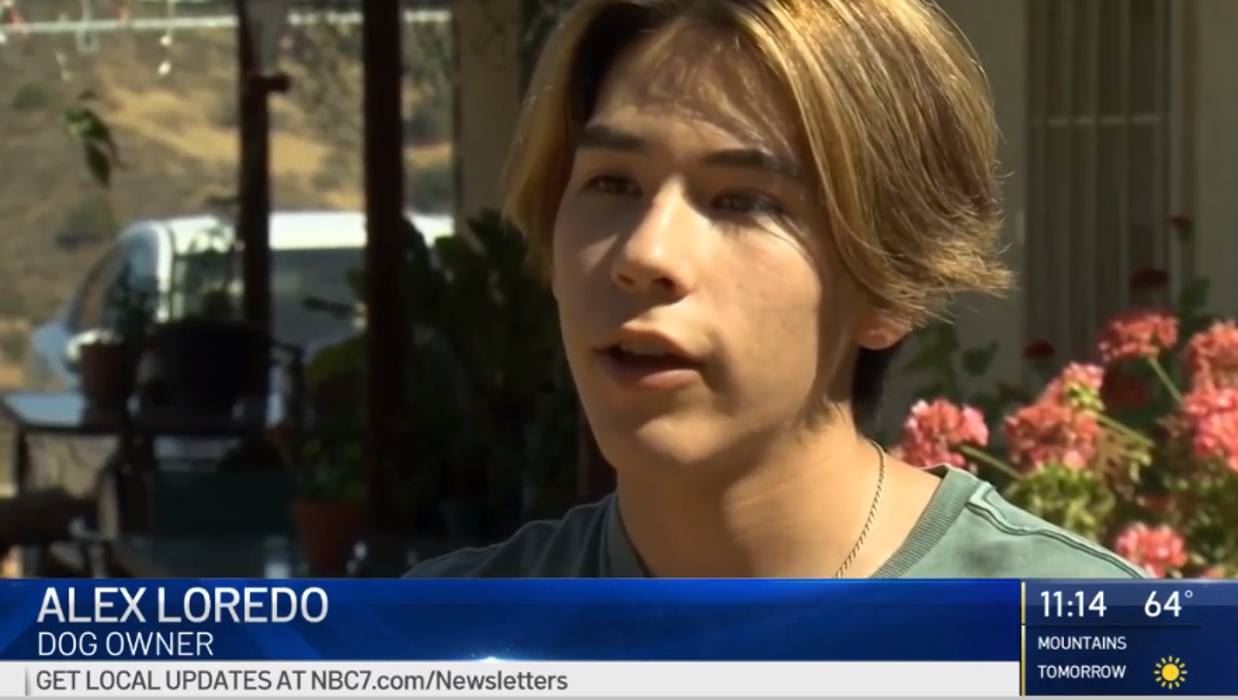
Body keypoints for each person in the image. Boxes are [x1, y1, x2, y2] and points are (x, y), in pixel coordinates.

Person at [410, 0, 1142, 578]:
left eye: (744, 200)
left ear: (891, 284)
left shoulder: (1072, 639)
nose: (644, 253)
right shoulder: (439, 644)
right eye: (611, 183)